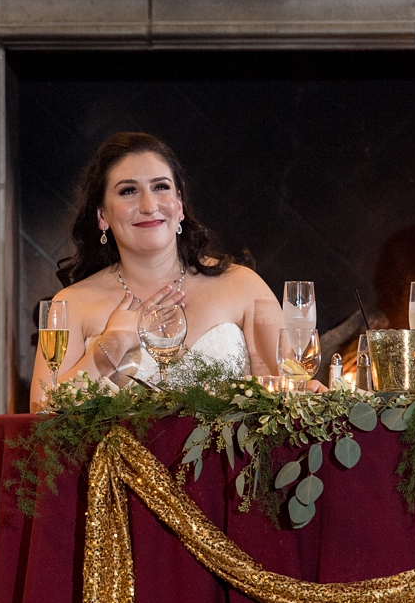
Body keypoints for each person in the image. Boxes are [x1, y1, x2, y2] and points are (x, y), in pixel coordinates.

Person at [30, 132, 279, 410]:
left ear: (179, 204)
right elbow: (41, 415)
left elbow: (290, 390)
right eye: (128, 191)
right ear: (102, 216)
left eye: (160, 187)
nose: (149, 206)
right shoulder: (70, 305)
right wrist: (111, 346)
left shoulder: (243, 286)